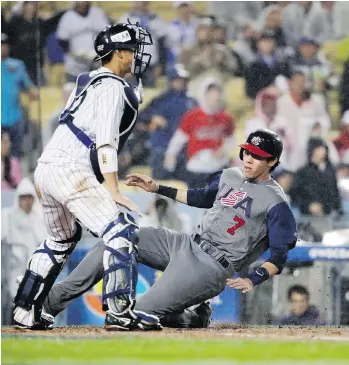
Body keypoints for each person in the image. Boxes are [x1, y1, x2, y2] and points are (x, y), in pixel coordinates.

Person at [41, 129, 297, 330]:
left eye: (257, 156)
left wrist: (253, 279)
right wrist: (157, 188)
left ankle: (190, 318)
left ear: (272, 161)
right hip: (185, 243)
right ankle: (49, 301)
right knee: (119, 238)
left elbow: (279, 255)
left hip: (210, 266)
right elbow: (200, 197)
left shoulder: (276, 203)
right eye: (246, 152)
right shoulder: (230, 175)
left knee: (131, 317)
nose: (249, 159)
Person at [12, 22, 161, 332]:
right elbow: (106, 142)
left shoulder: (88, 80)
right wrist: (113, 187)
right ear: (118, 53)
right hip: (71, 170)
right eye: (131, 50)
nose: (135, 56)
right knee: (120, 232)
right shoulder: (113, 87)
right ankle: (119, 313)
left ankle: (24, 311)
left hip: (47, 168)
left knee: (59, 240)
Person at [164, 78, 235, 188]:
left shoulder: (226, 118)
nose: (215, 97)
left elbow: (231, 139)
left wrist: (224, 150)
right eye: (211, 93)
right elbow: (179, 138)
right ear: (204, 95)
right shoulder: (192, 116)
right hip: (196, 167)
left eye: (218, 93)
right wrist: (171, 154)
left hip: (217, 166)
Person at [138, 64, 196, 180]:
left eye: (183, 80)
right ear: (171, 80)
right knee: (160, 183)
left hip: (184, 148)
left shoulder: (192, 102)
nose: (180, 83)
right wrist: (153, 119)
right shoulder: (161, 99)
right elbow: (141, 117)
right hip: (162, 145)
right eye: (177, 80)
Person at [274, 71, 331, 171]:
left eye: (303, 82)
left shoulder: (316, 100)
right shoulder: (282, 102)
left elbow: (325, 119)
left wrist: (319, 124)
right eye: (297, 82)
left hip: (311, 143)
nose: (300, 85)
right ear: (290, 83)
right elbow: (276, 123)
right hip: (289, 146)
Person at [7, 1, 64, 85]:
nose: (31, 7)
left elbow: (54, 19)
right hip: (18, 66)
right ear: (24, 6)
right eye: (29, 4)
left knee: (42, 92)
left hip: (36, 67)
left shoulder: (40, 23)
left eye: (34, 4)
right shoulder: (14, 23)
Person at [1, 33, 37, 158]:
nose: (3, 48)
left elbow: (29, 89)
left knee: (15, 156)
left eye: (4, 45)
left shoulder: (17, 65)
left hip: (15, 118)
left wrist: (33, 93)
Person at [56, 1, 110, 82]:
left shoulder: (98, 13)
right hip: (75, 67)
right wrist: (71, 53)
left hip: (97, 65)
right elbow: (62, 41)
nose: (83, 3)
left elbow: (108, 35)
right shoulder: (67, 17)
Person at [119, 2, 167, 87]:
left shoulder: (156, 19)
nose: (139, 3)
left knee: (150, 94)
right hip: (132, 64)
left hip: (151, 64)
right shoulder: (125, 18)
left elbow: (161, 44)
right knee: (132, 95)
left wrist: (161, 65)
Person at [290, 137, 341, 217]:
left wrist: (336, 210)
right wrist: (308, 206)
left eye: (323, 148)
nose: (322, 151)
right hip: (308, 216)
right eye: (318, 149)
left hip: (329, 215)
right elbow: (295, 195)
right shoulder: (302, 172)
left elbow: (335, 194)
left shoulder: (331, 171)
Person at [244, 31, 290, 99]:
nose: (267, 44)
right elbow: (250, 91)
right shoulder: (253, 66)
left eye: (270, 41)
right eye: (264, 41)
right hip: (262, 101)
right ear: (258, 44)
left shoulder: (283, 63)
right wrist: (266, 92)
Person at [166, 1, 197, 70]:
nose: (185, 10)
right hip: (177, 60)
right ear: (177, 10)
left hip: (194, 59)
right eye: (182, 8)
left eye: (187, 7)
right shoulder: (172, 27)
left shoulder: (196, 24)